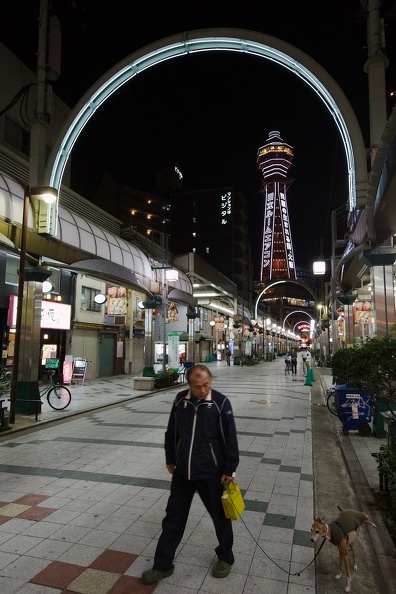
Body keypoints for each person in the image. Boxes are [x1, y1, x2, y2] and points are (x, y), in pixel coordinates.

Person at [142, 364, 240, 585]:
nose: (203, 389)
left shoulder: (221, 402)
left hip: (211, 473)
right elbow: (172, 431)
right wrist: (170, 458)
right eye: (198, 386)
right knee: (173, 519)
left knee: (220, 518)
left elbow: (230, 438)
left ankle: (226, 556)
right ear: (190, 385)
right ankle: (162, 565)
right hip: (183, 473)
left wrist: (229, 469)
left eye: (206, 384)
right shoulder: (180, 401)